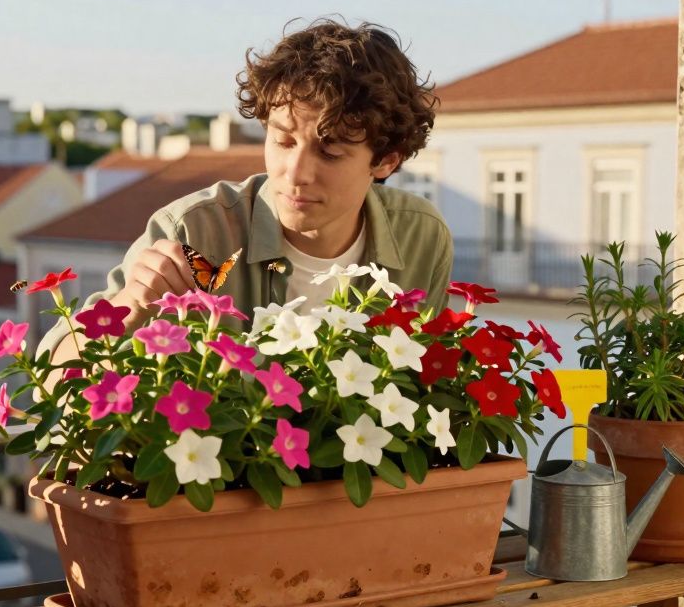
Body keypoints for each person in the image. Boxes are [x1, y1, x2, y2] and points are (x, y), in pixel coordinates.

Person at [38, 18, 453, 363]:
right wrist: (129, 305)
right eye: (283, 141)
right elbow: (50, 387)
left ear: (386, 161)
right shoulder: (191, 231)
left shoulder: (421, 236)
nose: (295, 173)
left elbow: (423, 386)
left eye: (330, 152)